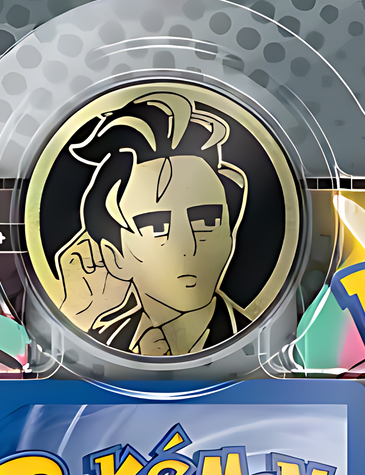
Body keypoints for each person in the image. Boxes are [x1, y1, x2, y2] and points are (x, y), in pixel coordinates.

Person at [53, 90, 252, 356]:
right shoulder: (100, 336)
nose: (187, 247)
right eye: (157, 228)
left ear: (230, 234)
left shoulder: (265, 345)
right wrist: (77, 316)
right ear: (114, 257)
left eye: (206, 221)